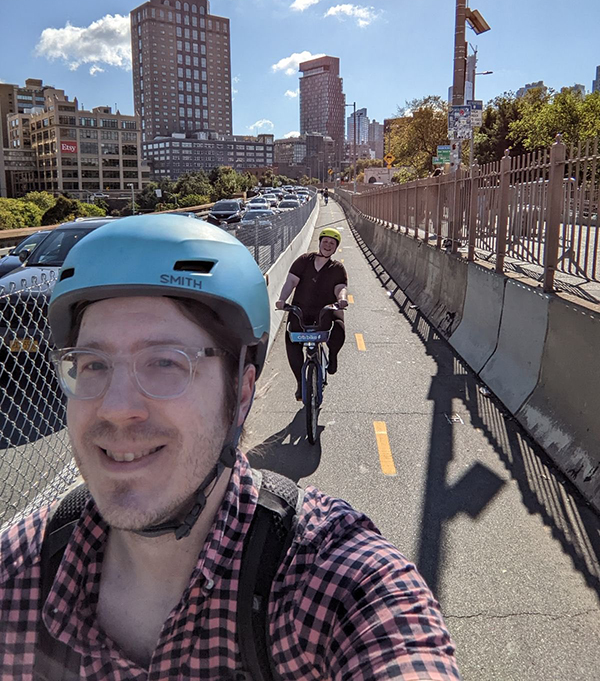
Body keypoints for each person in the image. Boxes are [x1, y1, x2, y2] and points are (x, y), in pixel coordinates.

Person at [1, 215, 461, 680]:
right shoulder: (17, 572)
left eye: (165, 361)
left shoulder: (334, 579)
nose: (116, 409)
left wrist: (340, 306)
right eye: (92, 364)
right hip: (299, 316)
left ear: (241, 394)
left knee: (332, 338)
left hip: (324, 322)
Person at [275, 227, 347, 401]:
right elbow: (291, 281)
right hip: (302, 309)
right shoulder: (304, 261)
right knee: (291, 339)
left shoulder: (337, 268)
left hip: (326, 309)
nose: (328, 245)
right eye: (325, 242)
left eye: (332, 243)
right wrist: (282, 299)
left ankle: (333, 355)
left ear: (335, 247)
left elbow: (340, 287)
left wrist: (342, 299)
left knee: (339, 328)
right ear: (320, 243)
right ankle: (301, 383)